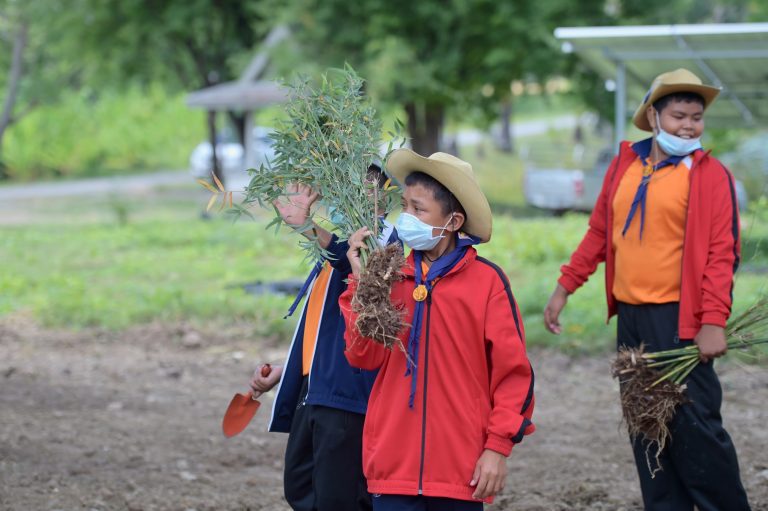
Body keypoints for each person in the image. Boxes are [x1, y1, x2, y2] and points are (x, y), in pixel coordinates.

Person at [543, 68, 750, 510]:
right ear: (653, 116)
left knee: (697, 432)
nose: (689, 126)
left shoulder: (711, 175)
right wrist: (565, 286)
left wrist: (713, 322)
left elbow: (721, 254)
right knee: (647, 427)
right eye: (679, 116)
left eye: (697, 117)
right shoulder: (626, 163)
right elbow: (600, 231)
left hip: (679, 321)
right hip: (633, 321)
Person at [341, 149, 535, 510]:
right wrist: (361, 284)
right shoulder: (387, 274)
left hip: (460, 472)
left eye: (419, 209)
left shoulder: (487, 283)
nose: (406, 218)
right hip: (392, 467)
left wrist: (497, 447)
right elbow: (362, 357)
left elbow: (514, 374)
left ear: (454, 220)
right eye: (405, 206)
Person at [249, 164, 397, 511]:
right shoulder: (348, 246)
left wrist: (307, 227)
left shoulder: (385, 249)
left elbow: (349, 260)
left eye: (362, 194)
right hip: (315, 389)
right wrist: (289, 368)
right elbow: (327, 323)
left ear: (383, 201)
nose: (350, 203)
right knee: (300, 488)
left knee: (338, 499)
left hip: (348, 396)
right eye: (344, 194)